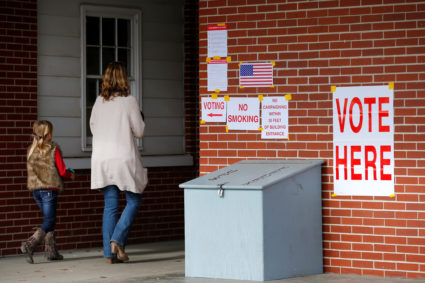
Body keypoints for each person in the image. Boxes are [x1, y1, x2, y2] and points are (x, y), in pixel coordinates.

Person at [90, 61, 147, 264]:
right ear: (124, 78)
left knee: (110, 206)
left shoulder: (99, 102)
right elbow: (140, 132)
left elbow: (93, 128)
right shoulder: (129, 101)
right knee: (134, 200)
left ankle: (110, 254)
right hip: (123, 157)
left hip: (102, 158)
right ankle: (117, 239)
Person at [21, 120, 75, 264]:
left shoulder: (31, 149)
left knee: (48, 221)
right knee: (49, 220)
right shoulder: (53, 148)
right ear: (46, 134)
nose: (52, 134)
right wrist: (71, 174)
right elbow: (62, 171)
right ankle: (30, 244)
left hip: (36, 190)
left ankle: (51, 253)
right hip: (49, 190)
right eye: (50, 131)